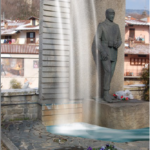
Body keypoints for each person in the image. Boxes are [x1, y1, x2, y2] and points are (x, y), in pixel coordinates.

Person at [96, 8, 122, 102]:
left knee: (111, 72)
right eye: (111, 14)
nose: (112, 15)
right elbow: (97, 39)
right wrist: (102, 51)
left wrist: (118, 44)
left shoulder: (116, 26)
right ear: (106, 14)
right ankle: (106, 93)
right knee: (108, 71)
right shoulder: (102, 26)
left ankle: (106, 92)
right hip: (105, 51)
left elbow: (120, 39)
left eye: (113, 14)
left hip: (114, 51)